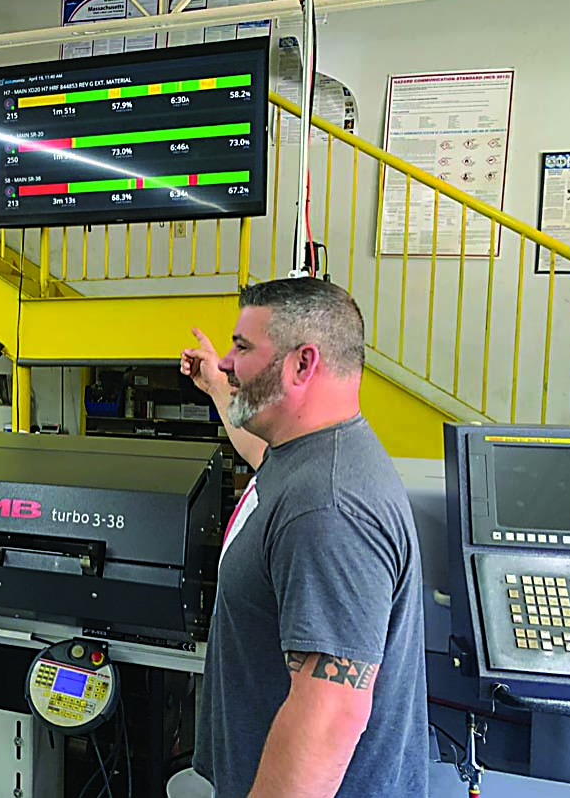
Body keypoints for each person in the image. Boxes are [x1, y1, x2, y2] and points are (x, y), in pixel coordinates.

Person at [180, 277, 427, 797]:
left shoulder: (327, 508)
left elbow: (332, 713)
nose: (228, 360)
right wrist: (217, 387)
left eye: (242, 348)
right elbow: (260, 458)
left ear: (302, 364)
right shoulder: (304, 457)